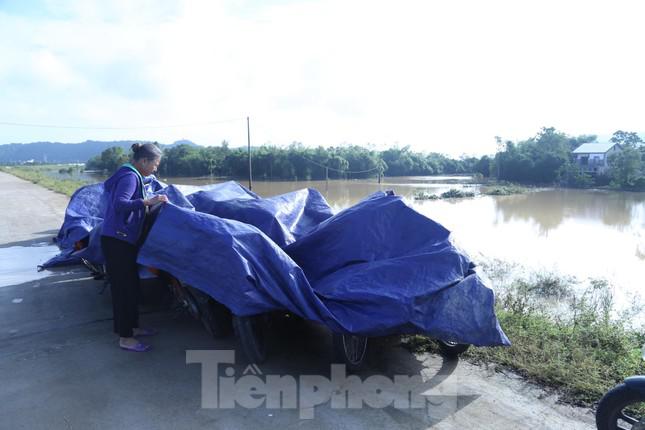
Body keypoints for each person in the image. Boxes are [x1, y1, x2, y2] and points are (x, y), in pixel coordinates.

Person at [101, 142, 168, 352]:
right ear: (143, 161)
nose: (155, 169)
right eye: (155, 164)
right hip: (117, 242)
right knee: (123, 290)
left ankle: (133, 327)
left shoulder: (130, 174)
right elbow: (120, 204)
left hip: (122, 240)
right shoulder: (129, 176)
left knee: (131, 287)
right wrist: (148, 201)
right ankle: (125, 338)